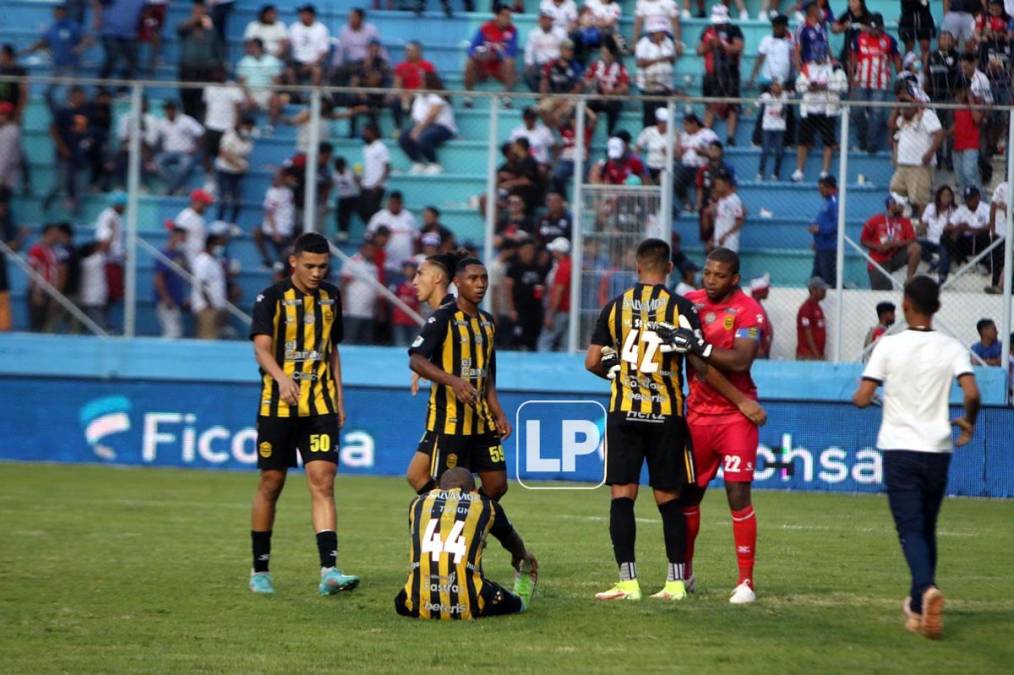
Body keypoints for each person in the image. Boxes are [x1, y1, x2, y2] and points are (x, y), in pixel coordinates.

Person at [587, 241, 764, 602]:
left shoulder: (613, 307)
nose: (711, 279)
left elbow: (592, 361)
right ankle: (675, 582)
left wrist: (622, 374)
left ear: (636, 265)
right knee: (670, 499)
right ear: (669, 267)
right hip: (667, 414)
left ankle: (628, 583)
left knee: (623, 497)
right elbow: (698, 365)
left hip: (625, 411)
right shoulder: (683, 307)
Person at [853, 275, 980, 640]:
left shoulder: (889, 346)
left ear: (905, 304)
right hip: (938, 448)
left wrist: (860, 399)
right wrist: (969, 423)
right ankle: (918, 607)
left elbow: (864, 395)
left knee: (910, 529)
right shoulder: (952, 346)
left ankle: (925, 589)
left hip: (900, 448)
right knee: (925, 527)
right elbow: (971, 391)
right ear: (937, 307)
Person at [247, 232, 359, 595]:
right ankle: (259, 570)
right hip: (278, 406)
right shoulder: (271, 298)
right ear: (293, 261)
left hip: (320, 404)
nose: (316, 273)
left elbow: (332, 351)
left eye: (323, 267)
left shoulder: (332, 297)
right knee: (271, 483)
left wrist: (340, 398)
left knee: (324, 481)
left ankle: (329, 570)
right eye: (309, 266)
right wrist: (281, 379)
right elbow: (261, 349)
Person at [675, 248, 769, 603]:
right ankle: (684, 574)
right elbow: (696, 366)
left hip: (736, 418)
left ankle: (746, 582)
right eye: (707, 272)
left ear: (734, 279)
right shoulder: (690, 303)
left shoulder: (748, 310)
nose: (711, 280)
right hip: (697, 416)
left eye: (719, 275)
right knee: (688, 496)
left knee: (738, 494)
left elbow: (741, 360)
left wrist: (698, 346)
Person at [405, 252, 512, 507]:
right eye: (473, 279)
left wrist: (498, 412)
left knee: (497, 485)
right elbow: (417, 359)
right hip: (450, 420)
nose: (480, 284)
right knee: (445, 487)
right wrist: (453, 381)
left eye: (484, 279)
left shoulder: (487, 322)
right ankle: (455, 528)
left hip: (482, 420)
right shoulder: (443, 317)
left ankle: (474, 518)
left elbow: (488, 375)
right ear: (457, 281)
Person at [394, 467, 537, 620]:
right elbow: (512, 541)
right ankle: (522, 594)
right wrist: (521, 557)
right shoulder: (486, 505)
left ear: (437, 488)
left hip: (413, 606)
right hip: (469, 604)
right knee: (514, 603)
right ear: (473, 490)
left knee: (403, 598)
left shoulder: (417, 503)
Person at [890, 85, 944, 215]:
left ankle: (922, 228)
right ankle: (904, 223)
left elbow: (939, 133)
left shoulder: (927, 115)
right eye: (902, 102)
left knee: (920, 200)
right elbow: (891, 126)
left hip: (919, 166)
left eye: (907, 102)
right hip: (903, 165)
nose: (904, 105)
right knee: (895, 192)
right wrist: (897, 107)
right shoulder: (902, 119)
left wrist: (930, 153)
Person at [850, 14, 900, 154]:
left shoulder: (890, 40)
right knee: (857, 111)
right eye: (871, 28)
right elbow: (853, 60)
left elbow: (897, 60)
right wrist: (851, 80)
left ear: (882, 27)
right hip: (861, 81)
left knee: (876, 113)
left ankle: (870, 144)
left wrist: (900, 78)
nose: (874, 31)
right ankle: (864, 138)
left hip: (881, 83)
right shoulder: (858, 39)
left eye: (877, 29)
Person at [793, 54, 848, 182]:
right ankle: (799, 171)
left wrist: (826, 87)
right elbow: (799, 86)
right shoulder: (807, 67)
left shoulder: (835, 67)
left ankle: (825, 172)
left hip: (827, 110)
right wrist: (809, 87)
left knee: (828, 142)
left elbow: (843, 86)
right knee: (802, 142)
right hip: (809, 109)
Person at [698, 4, 744, 145]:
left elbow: (738, 47)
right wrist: (710, 45)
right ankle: (705, 136)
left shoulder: (734, 30)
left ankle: (730, 137)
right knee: (711, 106)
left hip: (730, 74)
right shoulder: (707, 30)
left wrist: (722, 44)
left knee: (732, 106)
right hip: (712, 75)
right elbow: (699, 50)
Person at [23, 4, 90, 98]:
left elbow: (87, 39)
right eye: (55, 13)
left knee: (70, 89)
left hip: (71, 65)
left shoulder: (73, 26)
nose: (57, 15)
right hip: (57, 65)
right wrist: (29, 50)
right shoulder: (52, 28)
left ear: (64, 13)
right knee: (50, 90)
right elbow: (43, 42)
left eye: (59, 12)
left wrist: (81, 47)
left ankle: (70, 107)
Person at [861, 193, 921, 290]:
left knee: (916, 248)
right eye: (900, 206)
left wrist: (894, 244)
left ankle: (909, 279)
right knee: (884, 291)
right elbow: (863, 240)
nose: (902, 209)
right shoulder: (875, 220)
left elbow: (912, 240)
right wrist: (877, 246)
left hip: (895, 257)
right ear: (891, 204)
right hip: (878, 260)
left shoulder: (905, 222)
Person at [400, 73, 456, 175]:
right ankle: (418, 163)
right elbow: (411, 114)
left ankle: (435, 164)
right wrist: (406, 102)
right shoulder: (420, 97)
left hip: (443, 127)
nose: (420, 83)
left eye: (422, 81)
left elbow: (432, 116)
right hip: (426, 126)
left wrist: (417, 129)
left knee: (423, 138)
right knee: (403, 136)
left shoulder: (437, 97)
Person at [463, 6, 518, 108]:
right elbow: (471, 47)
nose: (508, 19)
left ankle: (507, 96)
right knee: (470, 61)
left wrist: (495, 55)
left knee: (510, 62)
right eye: (505, 16)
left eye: (509, 16)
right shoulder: (485, 28)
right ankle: (468, 95)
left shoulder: (513, 30)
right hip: (483, 66)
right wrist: (477, 55)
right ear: (497, 16)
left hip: (500, 68)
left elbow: (511, 51)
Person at [942, 185, 997, 286]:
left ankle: (983, 264)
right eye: (967, 198)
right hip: (965, 240)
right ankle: (962, 262)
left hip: (980, 238)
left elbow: (991, 226)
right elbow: (947, 227)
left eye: (971, 198)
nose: (968, 201)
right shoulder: (961, 209)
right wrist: (958, 227)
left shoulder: (985, 208)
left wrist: (970, 228)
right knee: (945, 237)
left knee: (986, 235)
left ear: (978, 197)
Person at [177, 0, 222, 120]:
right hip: (187, 69)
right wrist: (195, 19)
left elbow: (216, 47)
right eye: (197, 9)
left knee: (202, 102)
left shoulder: (210, 28)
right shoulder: (187, 27)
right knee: (187, 100)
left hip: (204, 70)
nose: (199, 12)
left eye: (201, 9)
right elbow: (179, 30)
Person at [155, 100, 205, 196]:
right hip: (168, 153)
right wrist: (161, 149)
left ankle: (171, 190)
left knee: (185, 165)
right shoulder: (162, 122)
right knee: (157, 162)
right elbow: (158, 140)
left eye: (171, 109)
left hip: (185, 153)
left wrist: (195, 148)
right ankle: (178, 187)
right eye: (167, 109)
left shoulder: (186, 120)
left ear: (175, 110)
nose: (169, 111)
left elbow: (201, 135)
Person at [504, 239, 546, 350]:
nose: (530, 253)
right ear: (520, 251)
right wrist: (511, 309)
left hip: (535, 310)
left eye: (532, 250)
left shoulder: (538, 268)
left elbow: (542, 287)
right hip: (520, 309)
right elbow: (508, 288)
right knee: (518, 340)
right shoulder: (514, 268)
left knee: (533, 340)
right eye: (527, 250)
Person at [367, 191, 418, 282]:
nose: (394, 205)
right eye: (392, 202)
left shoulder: (409, 217)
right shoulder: (379, 217)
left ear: (401, 203)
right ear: (388, 202)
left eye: (397, 203)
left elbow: (415, 240)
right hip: (386, 265)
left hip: (405, 267)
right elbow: (370, 239)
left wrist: (412, 258)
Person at [635, 18, 677, 129]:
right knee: (649, 114)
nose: (663, 33)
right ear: (654, 32)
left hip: (665, 85)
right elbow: (640, 62)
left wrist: (669, 58)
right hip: (649, 85)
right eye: (661, 31)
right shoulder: (644, 43)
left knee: (664, 114)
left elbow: (673, 60)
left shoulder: (668, 41)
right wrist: (658, 59)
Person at [94, 0, 146, 89]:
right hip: (109, 31)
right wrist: (98, 17)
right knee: (112, 55)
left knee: (133, 60)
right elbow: (98, 2)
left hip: (129, 34)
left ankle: (122, 90)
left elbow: (146, 10)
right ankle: (100, 85)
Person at [674, 113, 719, 213]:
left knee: (702, 178)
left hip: (702, 165)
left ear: (694, 123)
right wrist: (678, 139)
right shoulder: (684, 136)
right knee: (675, 180)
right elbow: (678, 156)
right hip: (686, 165)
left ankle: (700, 206)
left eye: (686, 124)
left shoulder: (708, 134)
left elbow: (716, 153)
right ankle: (687, 203)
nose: (685, 127)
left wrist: (702, 152)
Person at [214, 115, 255, 225]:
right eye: (247, 127)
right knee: (224, 199)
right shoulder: (229, 135)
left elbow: (246, 155)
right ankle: (219, 223)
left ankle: (233, 224)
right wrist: (239, 164)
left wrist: (241, 166)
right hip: (224, 171)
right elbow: (224, 154)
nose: (248, 130)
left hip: (237, 174)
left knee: (237, 201)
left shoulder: (248, 140)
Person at [340, 236, 381, 344]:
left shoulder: (373, 266)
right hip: (354, 309)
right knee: (351, 339)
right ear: (362, 249)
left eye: (373, 250)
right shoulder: (352, 262)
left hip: (368, 311)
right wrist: (343, 304)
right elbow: (343, 283)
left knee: (367, 342)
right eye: (369, 250)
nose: (371, 252)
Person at [236, 38, 285, 128]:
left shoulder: (272, 60)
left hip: (267, 92)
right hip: (250, 93)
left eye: (253, 47)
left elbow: (276, 81)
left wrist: (272, 94)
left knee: (276, 101)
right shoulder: (244, 61)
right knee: (239, 104)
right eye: (249, 47)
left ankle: (270, 127)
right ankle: (239, 128)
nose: (250, 49)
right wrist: (248, 97)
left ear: (260, 48)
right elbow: (241, 82)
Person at [584, 40, 629, 136]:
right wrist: (595, 84)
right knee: (586, 106)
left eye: (605, 52)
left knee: (614, 107)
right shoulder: (595, 66)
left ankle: (610, 136)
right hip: (597, 97)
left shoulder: (620, 67)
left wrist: (612, 92)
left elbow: (624, 87)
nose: (603, 55)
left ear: (612, 54)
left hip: (612, 98)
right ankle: (585, 138)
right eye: (602, 52)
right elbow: (586, 81)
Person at [255, 169, 296, 267]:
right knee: (257, 233)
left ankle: (278, 262)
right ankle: (269, 260)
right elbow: (269, 213)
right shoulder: (272, 193)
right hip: (278, 229)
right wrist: (275, 231)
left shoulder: (289, 191)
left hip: (286, 227)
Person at [390, 42, 435, 129]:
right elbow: (397, 84)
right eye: (406, 51)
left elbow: (427, 84)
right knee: (395, 103)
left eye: (411, 51)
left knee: (420, 101)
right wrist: (402, 95)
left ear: (419, 52)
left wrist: (412, 94)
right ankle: (398, 128)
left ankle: (419, 128)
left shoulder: (427, 66)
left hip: (421, 95)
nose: (408, 53)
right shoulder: (400, 66)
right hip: (405, 96)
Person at [537, 237, 571, 351]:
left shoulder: (563, 267)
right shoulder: (569, 264)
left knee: (544, 342)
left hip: (559, 311)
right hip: (567, 310)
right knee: (565, 345)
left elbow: (558, 292)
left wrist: (550, 314)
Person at [153, 226, 188, 338]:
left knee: (176, 331)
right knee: (172, 332)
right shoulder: (164, 255)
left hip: (176, 300)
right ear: (173, 237)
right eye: (182, 238)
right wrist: (166, 298)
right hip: (166, 301)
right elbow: (158, 278)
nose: (183, 242)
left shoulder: (180, 255)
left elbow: (184, 276)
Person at [191, 232, 226, 339]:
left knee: (212, 336)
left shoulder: (213, 260)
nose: (221, 247)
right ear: (211, 245)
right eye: (219, 244)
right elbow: (201, 283)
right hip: (206, 306)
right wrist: (209, 304)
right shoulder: (203, 261)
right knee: (207, 337)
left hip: (213, 306)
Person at [26, 224, 61, 332]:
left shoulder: (53, 251)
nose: (58, 236)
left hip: (49, 291)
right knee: (38, 325)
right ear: (48, 234)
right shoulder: (37, 250)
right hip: (40, 291)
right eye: (56, 234)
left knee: (48, 326)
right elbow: (32, 271)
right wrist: (36, 293)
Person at [918, 184, 956, 283]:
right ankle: (932, 261)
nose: (946, 198)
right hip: (930, 241)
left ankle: (942, 277)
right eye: (944, 195)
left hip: (944, 242)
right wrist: (918, 231)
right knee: (914, 242)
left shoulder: (955, 211)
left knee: (944, 249)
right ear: (939, 196)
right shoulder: (931, 207)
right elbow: (924, 224)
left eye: (948, 196)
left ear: (952, 198)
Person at [950, 84, 983, 195]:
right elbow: (956, 124)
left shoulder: (976, 103)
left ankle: (980, 202)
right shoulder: (957, 106)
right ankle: (965, 205)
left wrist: (971, 100)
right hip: (958, 144)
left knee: (969, 174)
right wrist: (946, 133)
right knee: (960, 178)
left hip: (971, 144)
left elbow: (977, 119)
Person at [287, 4, 330, 86]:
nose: (301, 16)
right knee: (289, 71)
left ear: (311, 15)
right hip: (297, 62)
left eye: (304, 13)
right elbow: (290, 47)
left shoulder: (321, 29)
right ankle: (296, 96)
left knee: (317, 71)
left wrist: (311, 64)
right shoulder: (294, 27)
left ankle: (315, 96)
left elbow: (324, 52)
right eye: (301, 14)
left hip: (314, 63)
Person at [524, 11, 567, 91]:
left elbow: (565, 48)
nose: (546, 21)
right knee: (528, 73)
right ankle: (539, 97)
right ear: (540, 20)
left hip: (556, 63)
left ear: (552, 21)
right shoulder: (533, 33)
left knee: (560, 73)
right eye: (544, 19)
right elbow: (529, 51)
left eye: (549, 19)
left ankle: (554, 96)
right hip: (541, 63)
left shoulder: (560, 32)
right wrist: (528, 63)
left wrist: (563, 60)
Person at [750, 14, 794, 92]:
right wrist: (752, 78)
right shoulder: (766, 40)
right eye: (779, 26)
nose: (782, 29)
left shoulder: (790, 41)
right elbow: (759, 59)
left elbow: (792, 59)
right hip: (768, 79)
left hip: (785, 81)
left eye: (784, 26)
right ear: (774, 27)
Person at [755, 78, 788, 180]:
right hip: (767, 127)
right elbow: (756, 103)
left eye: (777, 85)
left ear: (781, 87)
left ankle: (776, 173)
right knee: (765, 150)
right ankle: (760, 172)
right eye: (773, 85)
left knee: (779, 151)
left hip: (779, 127)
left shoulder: (785, 96)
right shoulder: (766, 96)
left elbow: (783, 112)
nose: (774, 87)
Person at [809, 174, 839, 285]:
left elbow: (837, 225)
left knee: (827, 278)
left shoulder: (835, 202)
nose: (820, 192)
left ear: (830, 188)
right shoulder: (827, 201)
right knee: (817, 277)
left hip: (828, 247)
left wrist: (819, 230)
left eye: (821, 189)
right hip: (821, 246)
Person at [174, 188, 215, 265]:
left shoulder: (199, 218)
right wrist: (183, 262)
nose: (206, 207)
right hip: (188, 260)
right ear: (196, 202)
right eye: (204, 204)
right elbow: (178, 242)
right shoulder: (185, 216)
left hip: (197, 260)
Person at [358, 123, 389, 224]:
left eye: (366, 132)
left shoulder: (381, 147)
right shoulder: (366, 148)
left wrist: (378, 185)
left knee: (373, 213)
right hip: (366, 186)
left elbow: (387, 168)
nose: (364, 134)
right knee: (361, 210)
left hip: (376, 187)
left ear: (374, 133)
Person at [709, 170, 743, 253]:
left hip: (729, 245)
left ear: (726, 184)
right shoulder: (721, 200)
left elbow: (739, 222)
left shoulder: (734, 200)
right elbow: (718, 221)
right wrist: (713, 238)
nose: (716, 187)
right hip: (719, 243)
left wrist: (725, 236)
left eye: (718, 184)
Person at [796, 275, 828, 360]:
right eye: (822, 290)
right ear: (813, 290)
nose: (825, 292)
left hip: (815, 354)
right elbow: (807, 333)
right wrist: (816, 354)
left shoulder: (817, 307)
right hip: (809, 355)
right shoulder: (806, 308)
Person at [635, 108, 669, 183]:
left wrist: (668, 152)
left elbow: (676, 155)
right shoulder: (649, 131)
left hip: (665, 167)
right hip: (650, 166)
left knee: (663, 176)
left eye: (665, 122)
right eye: (662, 122)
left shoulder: (672, 134)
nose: (663, 124)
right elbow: (638, 147)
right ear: (658, 121)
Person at [749, 274, 773, 358]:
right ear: (759, 291)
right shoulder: (753, 307)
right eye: (766, 290)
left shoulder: (757, 305)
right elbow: (752, 329)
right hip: (758, 351)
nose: (768, 292)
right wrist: (758, 347)